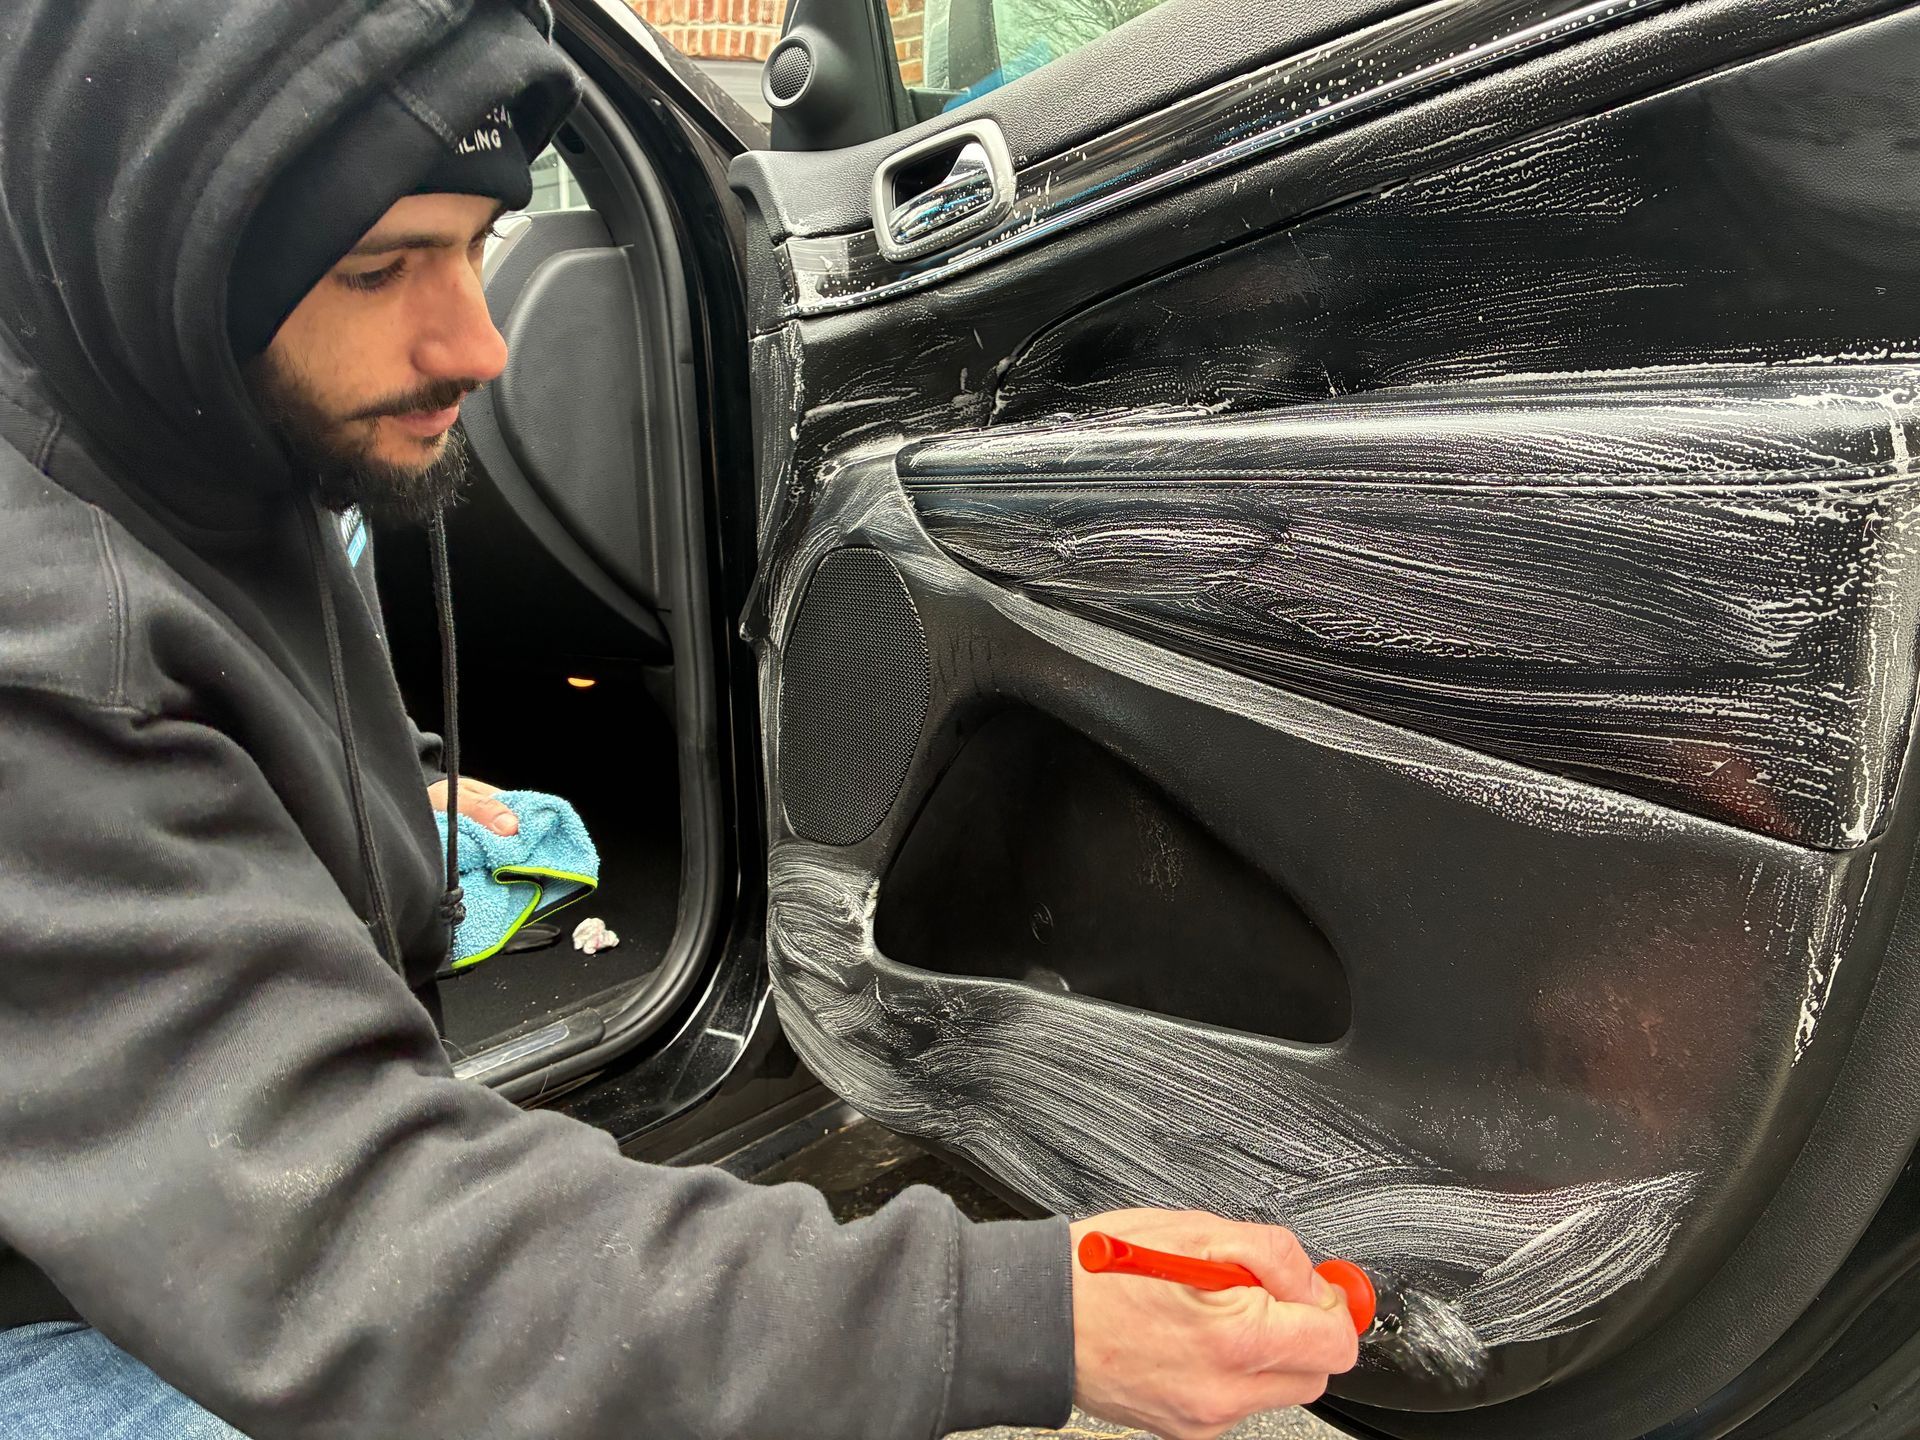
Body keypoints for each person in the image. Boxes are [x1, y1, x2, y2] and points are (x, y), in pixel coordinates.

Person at [0, 3, 1360, 1438]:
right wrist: (1026, 1318)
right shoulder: (49, 659)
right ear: (154, 253)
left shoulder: (182, 424)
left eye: (477, 245)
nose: (476, 343)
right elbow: (357, 1247)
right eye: (379, 267)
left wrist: (402, 787)